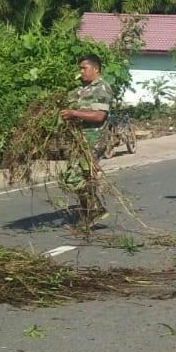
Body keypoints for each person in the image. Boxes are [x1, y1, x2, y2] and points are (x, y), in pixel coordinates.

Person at [59, 54, 112, 226]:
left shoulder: (102, 88)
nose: (81, 71)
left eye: (84, 68)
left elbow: (98, 116)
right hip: (79, 139)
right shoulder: (81, 89)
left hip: (94, 140)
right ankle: (89, 212)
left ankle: (94, 207)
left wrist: (74, 113)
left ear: (95, 69)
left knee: (72, 176)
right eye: (80, 68)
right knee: (84, 176)